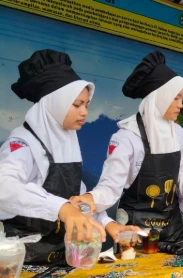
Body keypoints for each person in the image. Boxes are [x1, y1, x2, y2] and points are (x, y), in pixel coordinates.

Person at [0, 49, 130, 264]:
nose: (84, 112)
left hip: (62, 257)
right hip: (22, 262)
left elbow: (75, 198)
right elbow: (5, 185)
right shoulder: (23, 144)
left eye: (86, 105)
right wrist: (61, 208)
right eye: (77, 104)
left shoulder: (66, 142)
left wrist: (107, 223)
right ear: (54, 104)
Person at [72, 51, 183, 246]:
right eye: (176, 98)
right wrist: (92, 198)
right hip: (135, 230)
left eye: (182, 98)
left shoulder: (177, 132)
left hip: (172, 227)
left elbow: (180, 170)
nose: (181, 105)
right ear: (160, 97)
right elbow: (111, 184)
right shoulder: (127, 137)